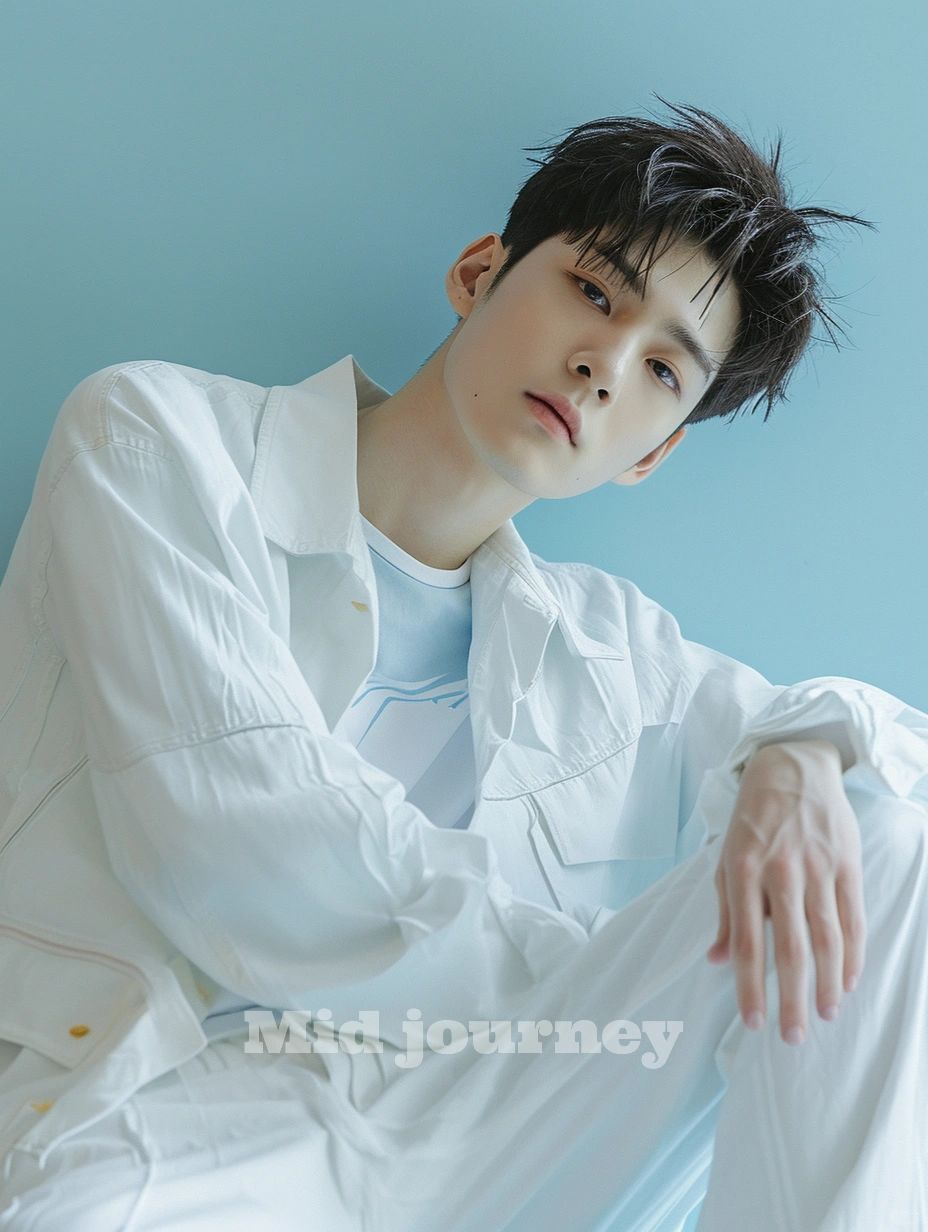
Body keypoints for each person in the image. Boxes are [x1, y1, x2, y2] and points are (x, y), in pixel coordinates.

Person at [0, 99, 925, 1231]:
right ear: (479, 272)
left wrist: (803, 749)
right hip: (188, 1121)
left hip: (490, 1145)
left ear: (654, 452)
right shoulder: (159, 439)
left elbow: (901, 776)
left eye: (662, 371)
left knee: (874, 837)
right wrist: (596, 995)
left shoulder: (617, 654)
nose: (602, 366)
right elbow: (243, 852)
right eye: (594, 292)